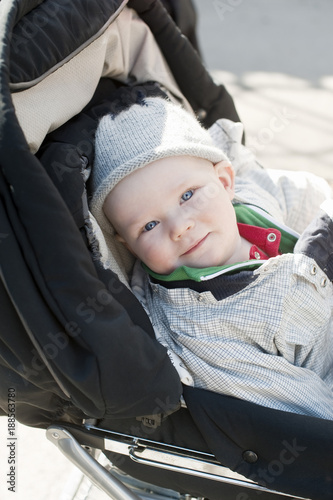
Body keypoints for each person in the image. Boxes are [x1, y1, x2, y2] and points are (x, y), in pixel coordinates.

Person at [90, 96, 333, 420]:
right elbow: (303, 412)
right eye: (149, 225)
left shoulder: (251, 201)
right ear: (129, 245)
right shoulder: (198, 328)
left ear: (224, 182)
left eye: (187, 195)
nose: (180, 227)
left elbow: (303, 193)